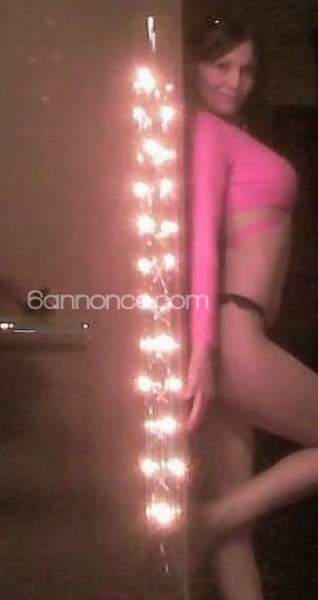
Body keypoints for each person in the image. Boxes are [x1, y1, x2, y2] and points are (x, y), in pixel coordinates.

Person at [183, 15, 318, 600]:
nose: (235, 81)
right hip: (233, 331)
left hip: (234, 333)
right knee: (226, 518)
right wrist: (202, 348)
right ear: (194, 67)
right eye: (221, 66)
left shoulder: (226, 133)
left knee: (234, 538)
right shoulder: (206, 132)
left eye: (247, 70)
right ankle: (209, 517)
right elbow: (202, 238)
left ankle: (216, 520)